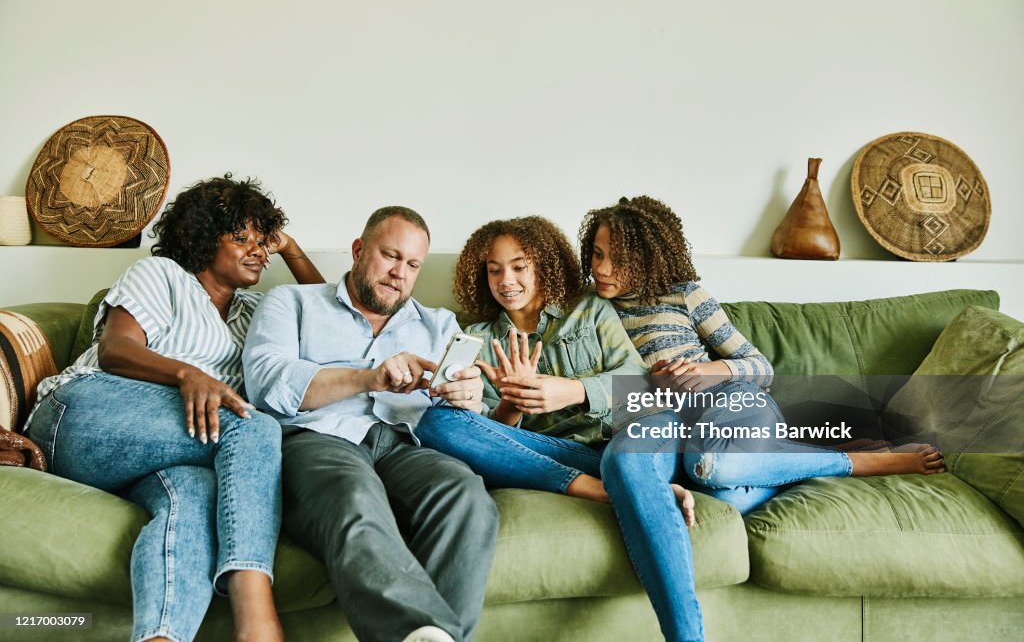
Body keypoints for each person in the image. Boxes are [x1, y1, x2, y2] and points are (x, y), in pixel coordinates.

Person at [26, 174, 325, 642]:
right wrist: (186, 373)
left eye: (263, 241)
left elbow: (327, 320)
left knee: (195, 495)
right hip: (84, 412)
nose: (258, 251)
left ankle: (160, 636)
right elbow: (115, 350)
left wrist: (290, 248)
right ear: (204, 236)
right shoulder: (161, 274)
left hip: (169, 448)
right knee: (252, 426)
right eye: (241, 237)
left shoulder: (257, 311)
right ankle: (257, 619)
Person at [414, 216, 705, 642]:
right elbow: (494, 438)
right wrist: (512, 405)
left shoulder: (588, 309)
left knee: (627, 460)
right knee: (436, 421)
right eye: (494, 270)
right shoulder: (476, 337)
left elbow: (642, 382)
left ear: (544, 265)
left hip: (631, 436)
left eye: (518, 266)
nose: (505, 280)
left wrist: (573, 391)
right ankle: (607, 488)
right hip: (565, 457)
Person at [578, 195, 947, 515]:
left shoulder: (685, 295)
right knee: (727, 501)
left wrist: (709, 371)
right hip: (681, 437)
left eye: (620, 260)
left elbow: (761, 368)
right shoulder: (589, 311)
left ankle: (859, 462)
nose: (602, 269)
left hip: (735, 405)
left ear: (650, 257)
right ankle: (797, 459)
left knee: (711, 466)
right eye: (597, 254)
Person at [241, 206, 499, 642]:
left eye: (413, 264)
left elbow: (477, 418)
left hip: (406, 446)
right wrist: (368, 378)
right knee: (354, 494)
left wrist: (468, 399)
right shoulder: (292, 301)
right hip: (319, 440)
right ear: (359, 250)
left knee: (466, 494)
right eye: (390, 255)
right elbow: (266, 384)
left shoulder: (441, 325)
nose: (400, 272)